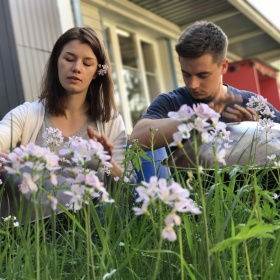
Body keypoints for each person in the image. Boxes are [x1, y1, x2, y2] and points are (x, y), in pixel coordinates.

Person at [0, 27, 135, 221]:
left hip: (91, 225)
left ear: (98, 71)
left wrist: (108, 162)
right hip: (37, 224)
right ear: (56, 62)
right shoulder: (28, 113)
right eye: (69, 59)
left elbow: (127, 191)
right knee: (14, 164)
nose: (76, 68)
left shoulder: (110, 121)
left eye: (87, 63)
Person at [130, 21, 280, 150]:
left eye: (203, 75)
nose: (192, 84)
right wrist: (195, 118)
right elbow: (135, 140)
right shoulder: (171, 102)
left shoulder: (252, 103)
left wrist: (258, 132)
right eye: (186, 74)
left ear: (223, 66)